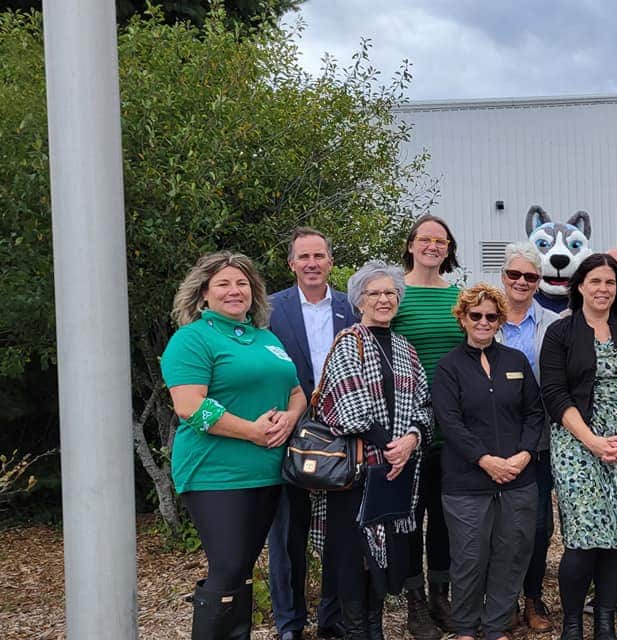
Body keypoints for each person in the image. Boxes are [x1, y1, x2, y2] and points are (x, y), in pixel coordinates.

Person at [162, 251, 304, 639]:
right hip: (215, 472)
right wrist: (251, 431)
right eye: (223, 283)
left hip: (266, 471)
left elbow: (295, 391)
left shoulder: (266, 338)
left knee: (240, 568)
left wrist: (291, 417)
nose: (234, 290)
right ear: (203, 294)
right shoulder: (192, 339)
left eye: (241, 283)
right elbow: (190, 406)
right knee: (226, 567)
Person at [539, 253, 617, 640]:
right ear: (580, 287)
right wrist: (592, 441)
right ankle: (573, 623)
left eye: (610, 283)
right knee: (585, 536)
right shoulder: (560, 333)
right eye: (595, 282)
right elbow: (554, 394)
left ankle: (605, 619)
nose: (603, 289)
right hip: (578, 442)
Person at [314, 261, 430, 640]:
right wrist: (391, 448)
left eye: (390, 293)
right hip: (358, 471)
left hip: (394, 470)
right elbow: (348, 406)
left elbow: (425, 406)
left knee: (382, 558)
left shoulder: (405, 348)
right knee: (352, 557)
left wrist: (411, 439)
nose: (383, 299)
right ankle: (355, 630)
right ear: (359, 300)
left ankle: (374, 628)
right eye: (374, 293)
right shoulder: (350, 341)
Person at [433, 283, 547, 640]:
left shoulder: (514, 362)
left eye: (491, 316)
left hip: (519, 476)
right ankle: (466, 626)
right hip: (466, 480)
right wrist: (485, 460)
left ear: (500, 321)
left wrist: (525, 454)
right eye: (475, 315)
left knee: (512, 552)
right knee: (469, 557)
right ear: (463, 319)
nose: (483, 322)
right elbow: (449, 422)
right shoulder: (449, 366)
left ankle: (497, 624)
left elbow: (535, 413)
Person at [266, 228, 357, 640]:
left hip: (341, 434)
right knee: (288, 536)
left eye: (319, 255)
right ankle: (289, 622)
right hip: (289, 431)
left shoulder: (351, 307)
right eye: (304, 257)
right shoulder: (270, 310)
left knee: (339, 532)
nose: (312, 263)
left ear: (331, 262)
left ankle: (332, 619)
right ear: (291, 264)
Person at [393, 214, 465, 637]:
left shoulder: (458, 296)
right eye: (425, 239)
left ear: (449, 249)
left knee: (443, 515)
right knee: (408, 516)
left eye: (441, 241)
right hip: (405, 425)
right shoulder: (395, 293)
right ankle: (414, 602)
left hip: (451, 427)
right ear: (411, 244)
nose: (432, 246)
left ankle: (441, 593)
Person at [497, 243, 562, 633]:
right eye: (515, 275)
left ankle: (533, 596)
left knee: (537, 524)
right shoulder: (483, 317)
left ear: (539, 282)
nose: (522, 282)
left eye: (530, 276)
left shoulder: (551, 324)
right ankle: (502, 600)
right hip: (494, 436)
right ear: (503, 277)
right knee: (497, 524)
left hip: (539, 438)